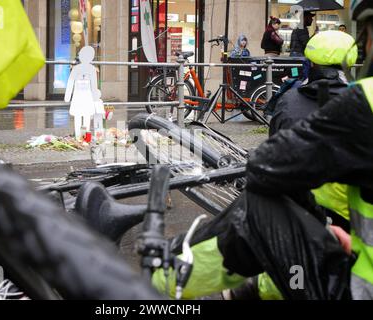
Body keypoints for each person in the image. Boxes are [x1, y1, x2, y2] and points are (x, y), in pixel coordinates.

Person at [152, 0, 373, 300]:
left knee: (261, 207)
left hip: (357, 286)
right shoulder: (350, 95)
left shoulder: (359, 102)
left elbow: (267, 165)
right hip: (350, 242)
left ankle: (161, 278)